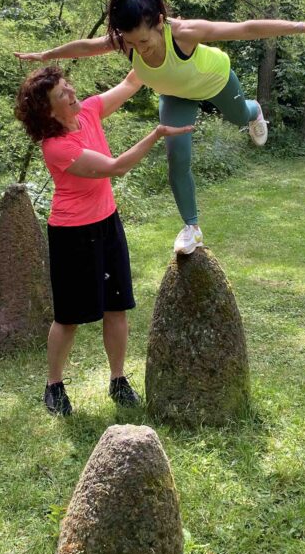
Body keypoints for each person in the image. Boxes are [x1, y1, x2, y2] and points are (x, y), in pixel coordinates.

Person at [16, 0, 305, 255]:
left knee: (239, 117)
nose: (139, 49)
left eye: (144, 40)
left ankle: (254, 110)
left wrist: (303, 26)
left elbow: (246, 28)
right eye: (131, 43)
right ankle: (192, 227)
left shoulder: (185, 32)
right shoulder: (128, 41)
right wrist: (47, 54)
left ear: (160, 23)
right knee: (177, 158)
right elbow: (87, 47)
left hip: (215, 81)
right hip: (176, 95)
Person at [14, 65, 193, 416]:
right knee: (69, 317)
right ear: (48, 111)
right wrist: (156, 134)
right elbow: (116, 167)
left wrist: (156, 50)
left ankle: (117, 379)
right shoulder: (57, 147)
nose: (70, 92)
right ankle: (54, 385)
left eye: (68, 85)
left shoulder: (91, 110)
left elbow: (130, 82)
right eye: (61, 93)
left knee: (117, 306)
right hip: (72, 234)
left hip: (107, 224)